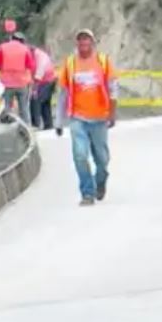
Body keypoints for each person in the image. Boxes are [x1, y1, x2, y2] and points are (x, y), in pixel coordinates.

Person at [56, 29, 118, 206]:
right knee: (80, 155)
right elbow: (63, 94)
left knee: (102, 159)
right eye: (80, 40)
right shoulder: (70, 64)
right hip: (78, 118)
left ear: (92, 43)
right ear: (77, 44)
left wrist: (112, 113)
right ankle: (87, 193)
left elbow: (113, 88)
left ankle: (101, 179)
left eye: (87, 40)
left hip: (100, 118)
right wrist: (59, 120)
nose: (83, 43)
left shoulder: (103, 61)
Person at [0, 31, 36, 124]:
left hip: (6, 83)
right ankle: (26, 127)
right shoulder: (25, 49)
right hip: (22, 83)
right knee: (24, 108)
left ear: (11, 38)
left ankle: (6, 126)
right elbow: (30, 65)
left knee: (6, 106)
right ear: (22, 41)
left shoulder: (2, 47)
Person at [31, 45, 57, 130]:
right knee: (45, 103)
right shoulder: (37, 55)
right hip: (47, 80)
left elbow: (40, 71)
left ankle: (35, 125)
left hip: (46, 81)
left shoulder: (40, 56)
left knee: (36, 101)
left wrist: (35, 87)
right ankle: (48, 125)